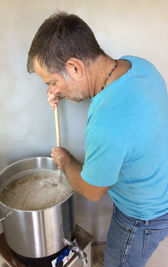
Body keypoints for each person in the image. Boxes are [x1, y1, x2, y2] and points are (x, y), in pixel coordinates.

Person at [27, 12, 168, 267]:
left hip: (143, 216)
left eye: (53, 81)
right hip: (160, 185)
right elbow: (122, 112)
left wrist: (64, 159)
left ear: (74, 67)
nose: (53, 89)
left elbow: (92, 189)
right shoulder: (137, 66)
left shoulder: (106, 123)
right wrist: (61, 90)